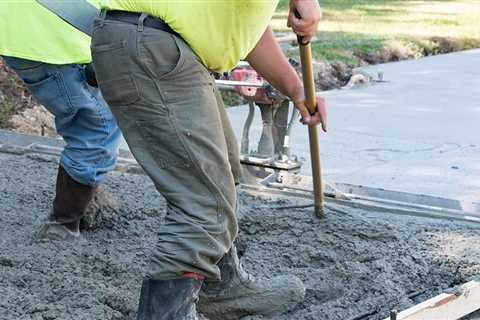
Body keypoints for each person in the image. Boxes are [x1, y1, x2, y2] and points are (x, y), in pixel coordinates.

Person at [91, 0, 326, 319]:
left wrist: (297, 90)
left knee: (224, 173)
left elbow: (248, 32)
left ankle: (220, 288)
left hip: (164, 43)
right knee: (204, 204)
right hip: (153, 41)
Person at [0, 0, 121, 240]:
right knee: (97, 128)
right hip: (51, 34)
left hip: (36, 25)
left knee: (95, 114)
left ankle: (84, 192)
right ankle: (62, 225)